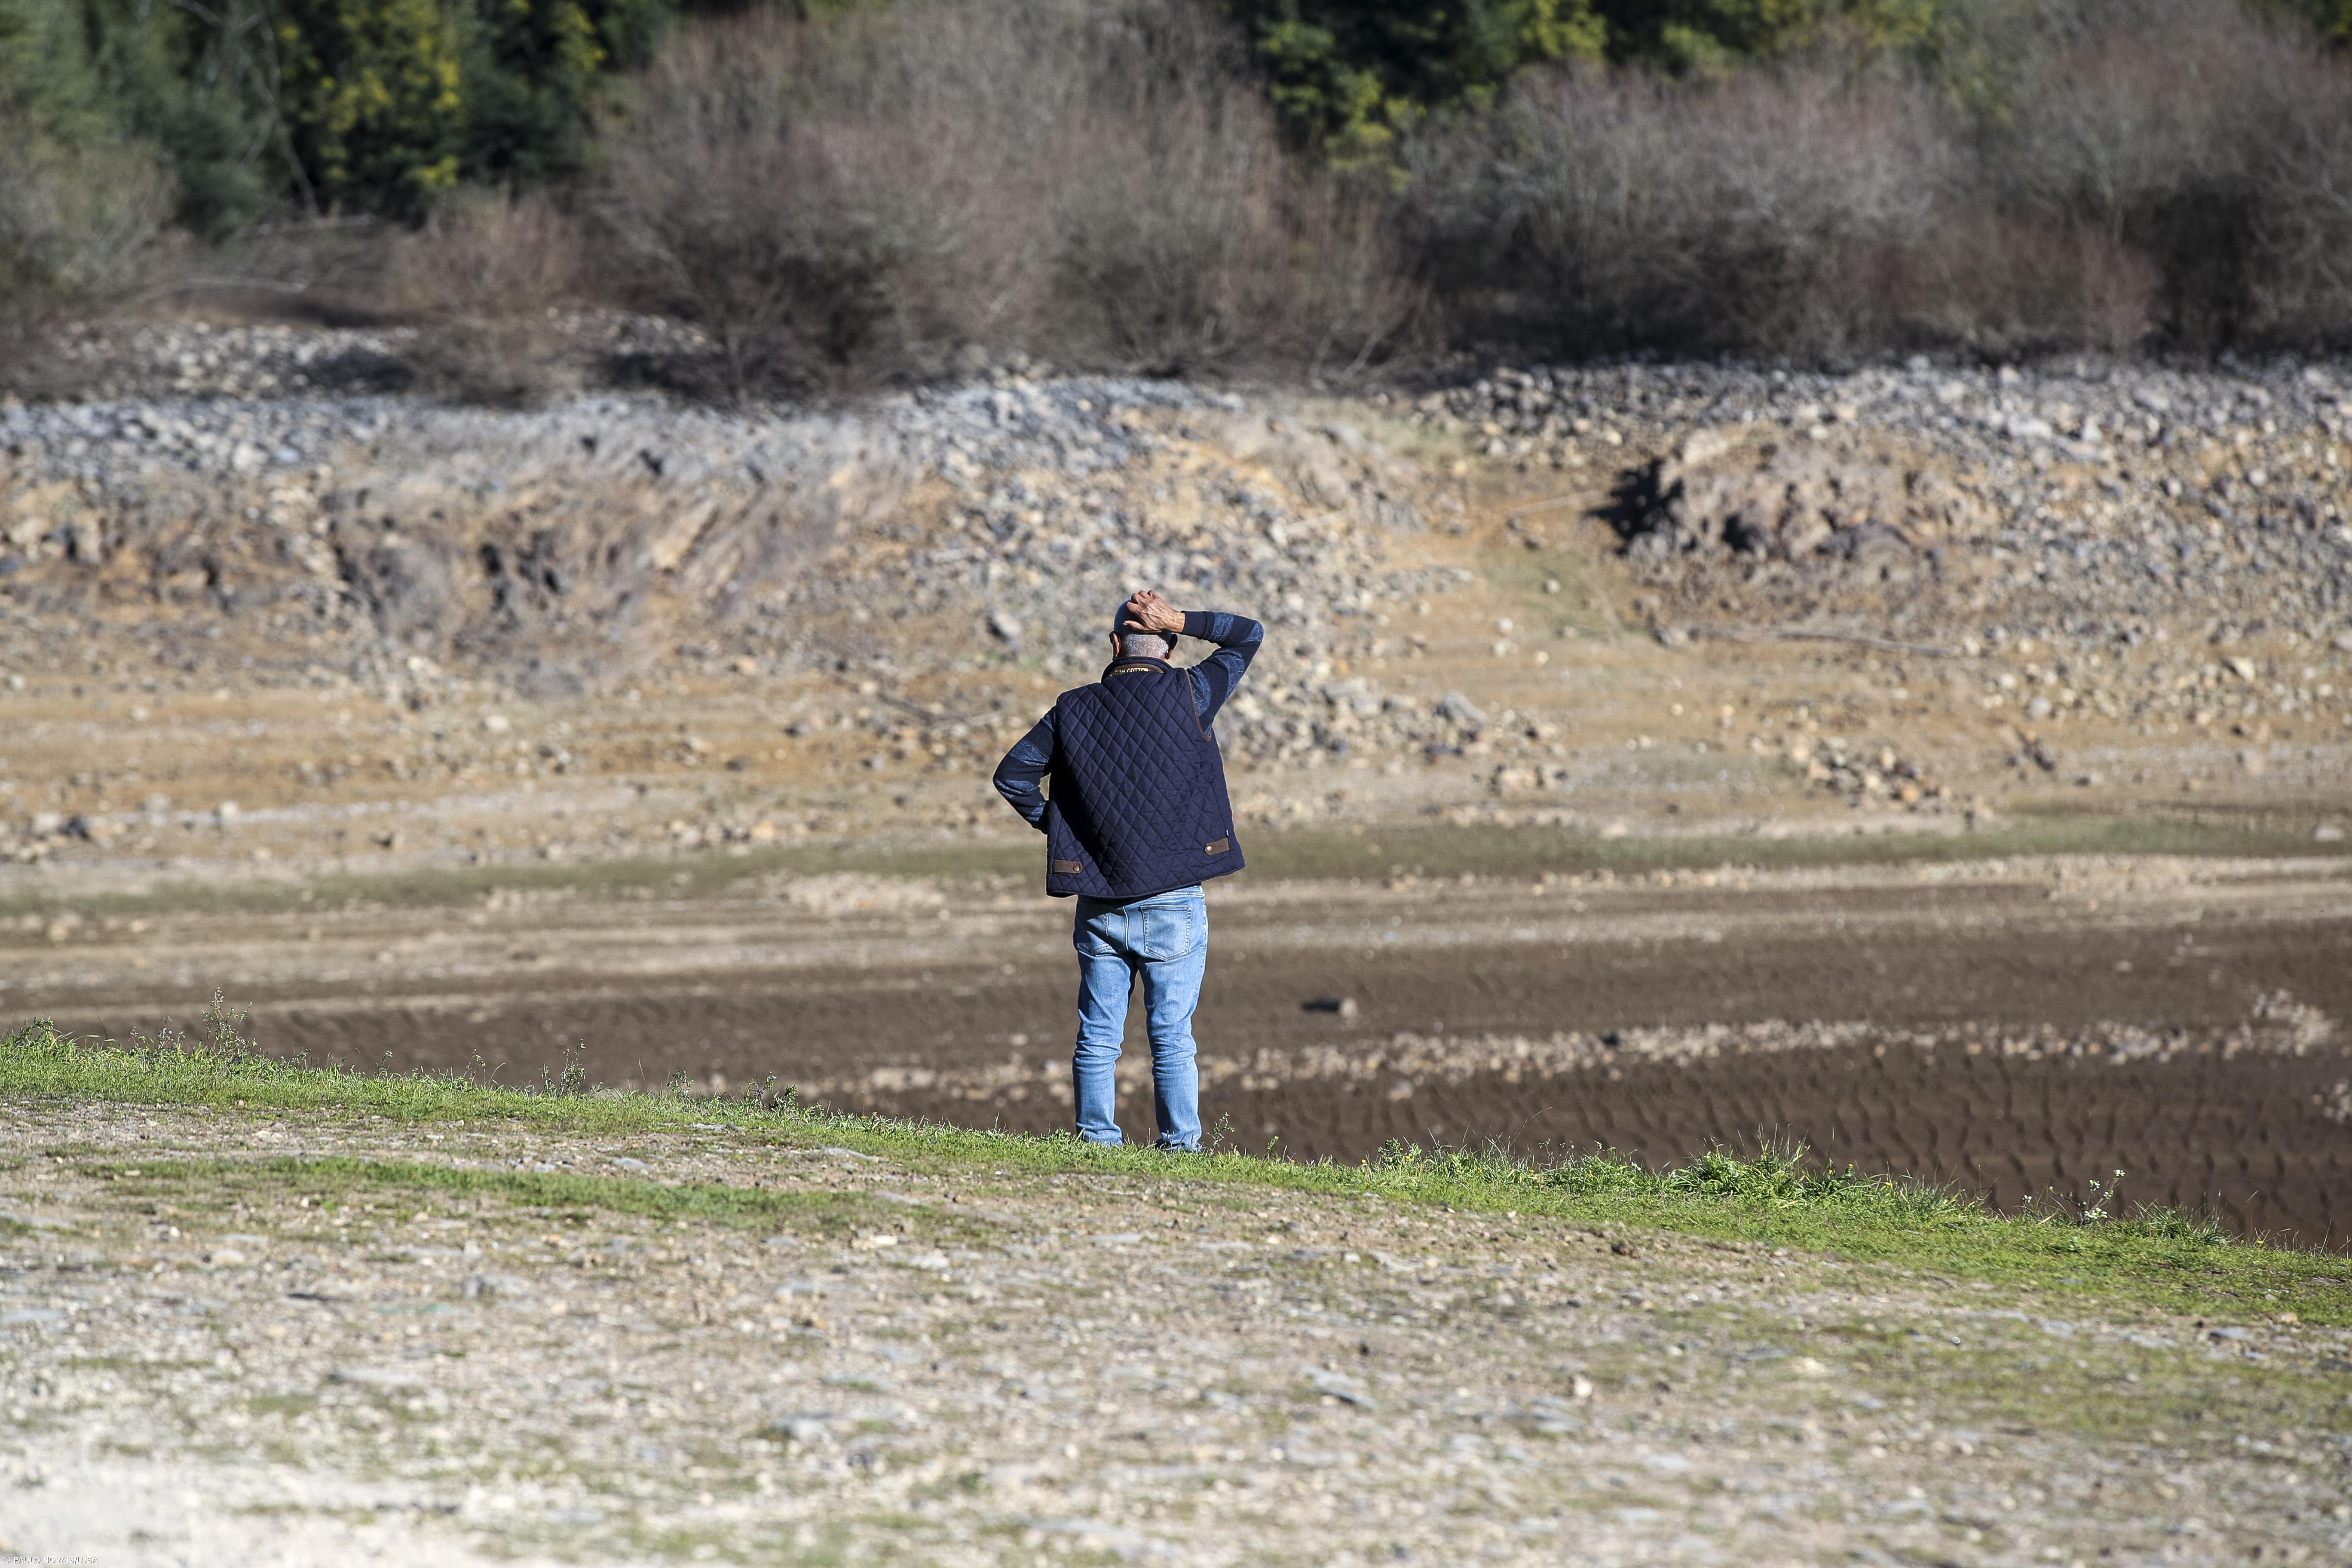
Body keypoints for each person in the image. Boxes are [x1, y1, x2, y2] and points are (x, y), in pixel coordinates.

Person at [991, 590, 1263, 1150]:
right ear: (1168, 646)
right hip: (1174, 902)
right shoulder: (1193, 692)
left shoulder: (1072, 708)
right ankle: (1180, 1149)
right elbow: (1249, 634)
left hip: (1100, 903)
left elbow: (1012, 777)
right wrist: (1185, 620)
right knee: (1172, 1039)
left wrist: (1061, 829)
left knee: (1097, 1038)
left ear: (1115, 645)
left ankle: (1097, 1143)